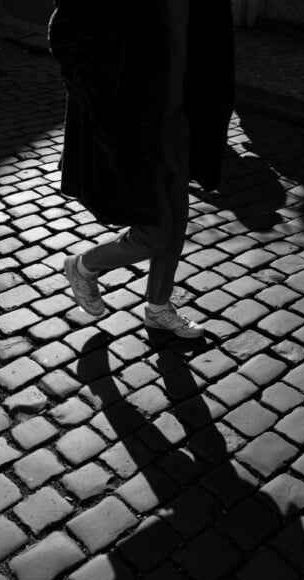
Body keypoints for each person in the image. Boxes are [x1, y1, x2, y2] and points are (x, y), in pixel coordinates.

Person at [48, 0, 235, 338]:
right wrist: (103, 106)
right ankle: (84, 265)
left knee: (176, 222)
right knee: (154, 233)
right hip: (131, 121)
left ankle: (159, 307)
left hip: (179, 117)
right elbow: (65, 35)